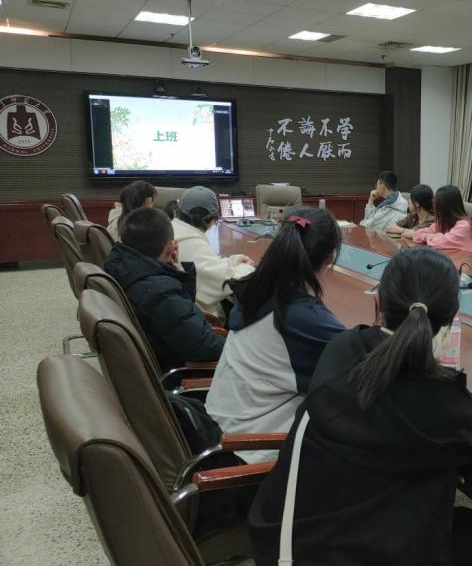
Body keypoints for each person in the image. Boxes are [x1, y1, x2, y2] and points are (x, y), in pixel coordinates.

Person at [247, 247, 472, 566]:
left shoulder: (342, 347)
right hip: (351, 548)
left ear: (378, 302)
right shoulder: (439, 401)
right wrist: (448, 384)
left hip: (281, 546)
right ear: (452, 317)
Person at [206, 206, 345, 464]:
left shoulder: (258, 287)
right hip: (250, 451)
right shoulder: (299, 316)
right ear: (330, 256)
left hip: (221, 426)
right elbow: (363, 366)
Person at [103, 207, 225, 371]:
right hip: (186, 374)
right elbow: (204, 346)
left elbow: (182, 315)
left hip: (170, 351)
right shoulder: (162, 293)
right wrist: (240, 347)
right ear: (170, 247)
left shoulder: (122, 266)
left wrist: (179, 272)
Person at [172, 186, 255, 319]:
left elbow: (207, 269)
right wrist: (247, 268)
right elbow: (225, 282)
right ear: (210, 220)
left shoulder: (175, 230)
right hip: (203, 321)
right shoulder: (193, 243)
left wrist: (233, 261)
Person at [413, 185, 472, 253]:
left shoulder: (464, 226)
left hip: (466, 259)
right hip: (452, 257)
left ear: (442, 207)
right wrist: (430, 236)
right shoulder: (443, 222)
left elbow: (437, 244)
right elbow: (417, 235)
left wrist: (437, 236)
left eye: (435, 204)